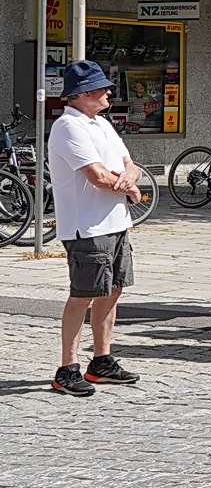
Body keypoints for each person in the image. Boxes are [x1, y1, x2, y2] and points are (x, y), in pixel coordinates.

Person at [47, 60, 144, 396]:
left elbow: (129, 164)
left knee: (113, 289)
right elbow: (97, 175)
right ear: (83, 93)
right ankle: (67, 367)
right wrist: (129, 186)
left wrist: (130, 180)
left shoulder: (101, 124)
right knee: (84, 294)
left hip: (116, 221)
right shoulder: (68, 127)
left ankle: (101, 361)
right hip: (86, 226)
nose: (108, 92)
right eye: (102, 88)